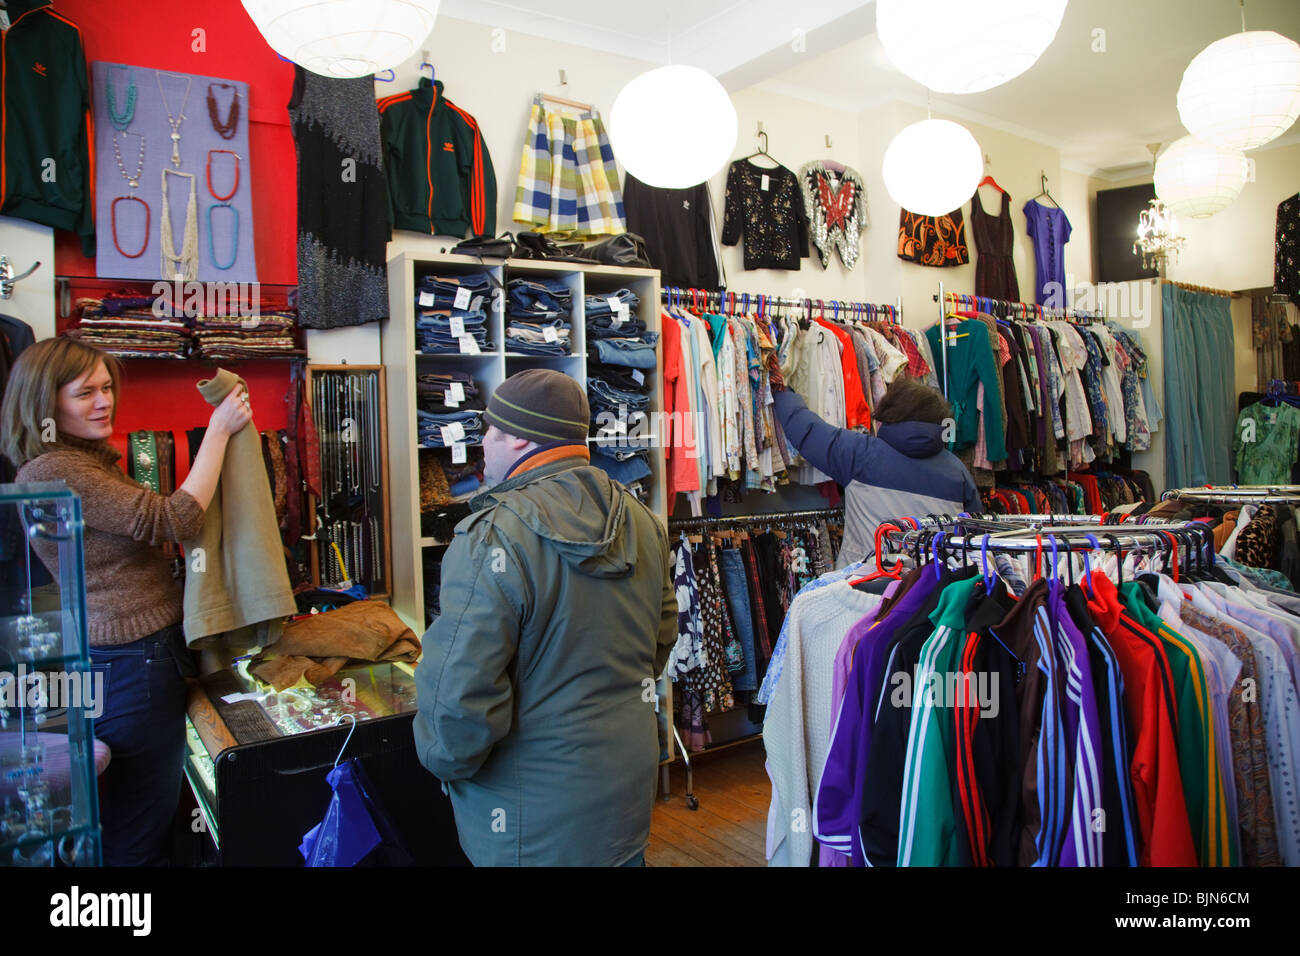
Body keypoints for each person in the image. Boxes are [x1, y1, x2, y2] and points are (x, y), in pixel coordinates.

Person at [0, 336, 252, 866]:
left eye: (107, 387)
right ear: (45, 403)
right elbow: (170, 519)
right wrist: (218, 432)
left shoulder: (76, 464)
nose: (103, 401)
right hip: (131, 662)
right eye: (84, 392)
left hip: (121, 658)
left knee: (131, 820)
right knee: (140, 828)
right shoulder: (55, 469)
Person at [413, 368, 676, 867]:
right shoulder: (642, 521)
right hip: (623, 789)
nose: (482, 445)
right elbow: (658, 642)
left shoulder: (491, 536)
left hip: (526, 815)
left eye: (489, 431)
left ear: (517, 440)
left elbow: (460, 697)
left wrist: (444, 763)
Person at [770, 368, 982, 568]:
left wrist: (779, 385)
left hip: (865, 588)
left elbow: (804, 428)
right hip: (933, 592)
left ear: (889, 413)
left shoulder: (860, 454)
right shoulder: (958, 471)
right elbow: (973, 535)